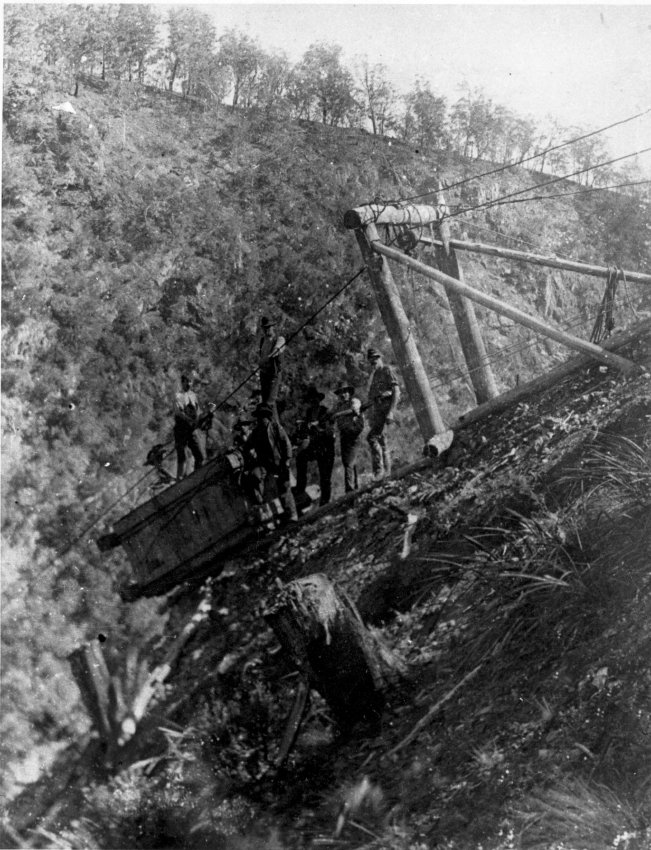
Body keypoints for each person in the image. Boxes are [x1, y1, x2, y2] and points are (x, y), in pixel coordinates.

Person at [244, 403, 298, 521]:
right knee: (271, 493)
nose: (261, 419)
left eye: (263, 416)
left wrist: (287, 459)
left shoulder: (275, 427)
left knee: (285, 488)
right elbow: (248, 445)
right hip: (267, 466)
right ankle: (280, 516)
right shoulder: (256, 432)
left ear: (267, 416)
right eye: (259, 417)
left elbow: (286, 442)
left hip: (280, 463)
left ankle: (292, 514)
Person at [294, 385, 336, 506]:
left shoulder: (325, 412)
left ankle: (325, 501)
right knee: (301, 457)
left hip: (326, 447)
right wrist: (303, 426)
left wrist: (316, 426)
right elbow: (306, 432)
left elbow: (330, 431)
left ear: (319, 400)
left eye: (315, 400)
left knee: (325, 476)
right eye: (311, 400)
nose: (313, 402)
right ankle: (300, 488)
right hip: (314, 446)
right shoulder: (308, 412)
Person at [365, 348, 400, 478]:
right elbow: (372, 398)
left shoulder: (386, 370)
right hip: (378, 412)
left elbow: (396, 391)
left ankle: (380, 472)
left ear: (380, 358)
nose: (373, 362)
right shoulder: (374, 376)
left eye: (375, 359)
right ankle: (385, 474)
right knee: (381, 441)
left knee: (373, 438)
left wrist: (391, 412)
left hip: (387, 411)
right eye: (371, 361)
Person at [333, 382, 365, 493]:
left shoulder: (354, 401)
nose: (343, 395)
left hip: (353, 435)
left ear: (349, 393)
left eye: (345, 392)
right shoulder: (338, 406)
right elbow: (331, 414)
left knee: (348, 464)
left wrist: (338, 414)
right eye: (341, 393)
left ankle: (349, 492)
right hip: (344, 436)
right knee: (350, 463)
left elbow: (355, 410)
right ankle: (356, 488)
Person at [173, 374, 204, 480]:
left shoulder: (193, 395)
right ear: (182, 383)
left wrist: (199, 419)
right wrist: (190, 420)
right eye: (187, 382)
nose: (189, 384)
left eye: (190, 382)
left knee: (199, 456)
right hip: (181, 430)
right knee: (182, 457)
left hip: (191, 430)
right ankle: (179, 480)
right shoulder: (178, 395)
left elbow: (198, 411)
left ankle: (197, 477)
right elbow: (179, 413)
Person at [258, 317, 285, 412]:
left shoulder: (280, 339)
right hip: (263, 373)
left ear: (273, 327)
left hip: (274, 374)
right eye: (265, 328)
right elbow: (260, 354)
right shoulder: (262, 340)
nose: (267, 330)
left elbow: (277, 350)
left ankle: (268, 420)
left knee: (269, 402)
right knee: (264, 400)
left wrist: (268, 357)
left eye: (269, 327)